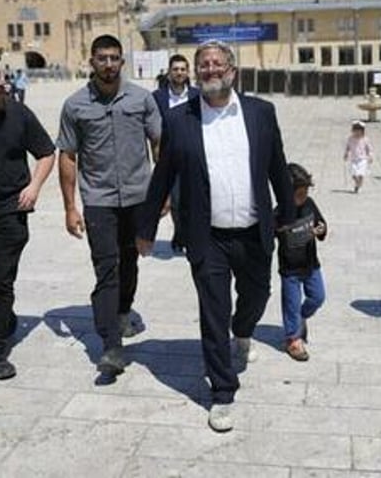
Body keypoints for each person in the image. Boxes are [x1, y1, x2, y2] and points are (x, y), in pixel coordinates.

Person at [136, 39, 294, 433]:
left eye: (217, 64)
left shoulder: (260, 113)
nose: (209, 70)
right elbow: (163, 177)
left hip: (254, 233)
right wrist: (146, 229)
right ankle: (222, 391)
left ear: (232, 70)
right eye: (202, 65)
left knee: (257, 296)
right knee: (213, 313)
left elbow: (278, 169)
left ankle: (243, 333)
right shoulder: (179, 120)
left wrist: (289, 220)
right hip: (207, 238)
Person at [57, 34, 161, 377]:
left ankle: (122, 312)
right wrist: (70, 207)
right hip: (98, 200)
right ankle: (111, 345)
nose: (108, 64)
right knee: (106, 267)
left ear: (122, 62)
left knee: (130, 263)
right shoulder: (75, 106)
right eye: (102, 58)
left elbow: (159, 145)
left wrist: (165, 193)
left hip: (137, 197)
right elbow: (68, 157)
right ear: (91, 61)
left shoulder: (142, 99)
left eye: (114, 58)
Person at [0, 51, 56, 380]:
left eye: (1, 75)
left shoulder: (17, 112)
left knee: (1, 283)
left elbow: (46, 152)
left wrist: (34, 187)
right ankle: (4, 315)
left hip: (9, 212)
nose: (2, 82)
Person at [276, 163, 327, 362]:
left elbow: (321, 224)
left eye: (305, 192)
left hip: (311, 264)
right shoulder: (280, 212)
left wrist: (322, 230)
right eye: (299, 193)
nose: (303, 197)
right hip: (289, 269)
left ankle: (301, 317)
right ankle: (293, 339)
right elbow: (272, 235)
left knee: (318, 297)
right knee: (291, 304)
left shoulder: (310, 204)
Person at [152, 54, 200, 253]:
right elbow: (153, 129)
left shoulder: (197, 95)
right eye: (176, 69)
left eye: (183, 69)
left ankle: (191, 235)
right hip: (169, 157)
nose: (179, 72)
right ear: (169, 72)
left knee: (194, 199)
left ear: (188, 72)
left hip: (193, 155)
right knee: (177, 201)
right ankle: (180, 233)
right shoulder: (158, 97)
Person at [344, 121, 373, 193]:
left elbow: (369, 148)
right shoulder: (350, 138)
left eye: (359, 131)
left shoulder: (365, 139)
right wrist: (346, 153)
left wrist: (370, 156)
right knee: (354, 174)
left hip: (362, 159)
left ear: (362, 131)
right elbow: (348, 147)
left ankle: (359, 186)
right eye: (355, 131)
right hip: (353, 159)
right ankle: (357, 183)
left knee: (361, 174)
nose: (357, 133)